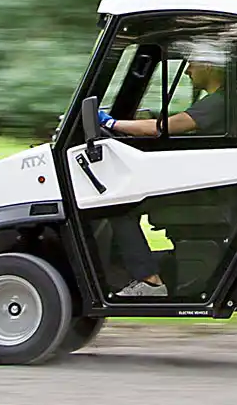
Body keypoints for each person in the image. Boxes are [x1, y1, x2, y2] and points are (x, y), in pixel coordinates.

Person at [95, 61, 227, 298]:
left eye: (192, 65)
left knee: (119, 206)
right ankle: (128, 270)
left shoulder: (219, 102)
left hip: (208, 193)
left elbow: (164, 127)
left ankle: (150, 281)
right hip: (208, 185)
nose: (187, 71)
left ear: (209, 66)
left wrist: (110, 123)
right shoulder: (220, 101)